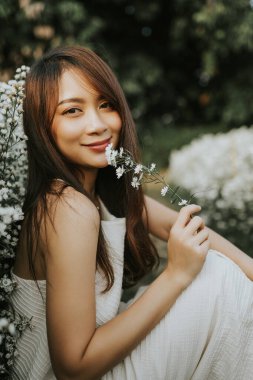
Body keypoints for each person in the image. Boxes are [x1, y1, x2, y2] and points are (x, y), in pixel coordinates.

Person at [11, 46, 253, 380]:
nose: (97, 125)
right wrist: (175, 275)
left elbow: (185, 229)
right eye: (72, 111)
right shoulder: (67, 206)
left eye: (105, 105)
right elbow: (73, 368)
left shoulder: (98, 191)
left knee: (220, 271)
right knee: (220, 280)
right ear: (41, 126)